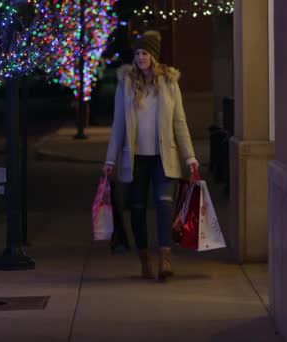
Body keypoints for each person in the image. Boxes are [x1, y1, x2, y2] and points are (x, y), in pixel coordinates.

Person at [102, 30, 199, 282]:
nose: (140, 57)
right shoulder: (125, 85)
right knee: (136, 208)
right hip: (135, 159)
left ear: (154, 56)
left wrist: (190, 157)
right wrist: (110, 160)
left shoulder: (168, 83)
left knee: (164, 204)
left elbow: (179, 122)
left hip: (163, 157)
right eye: (137, 53)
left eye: (145, 53)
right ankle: (144, 259)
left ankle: (165, 258)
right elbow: (118, 126)